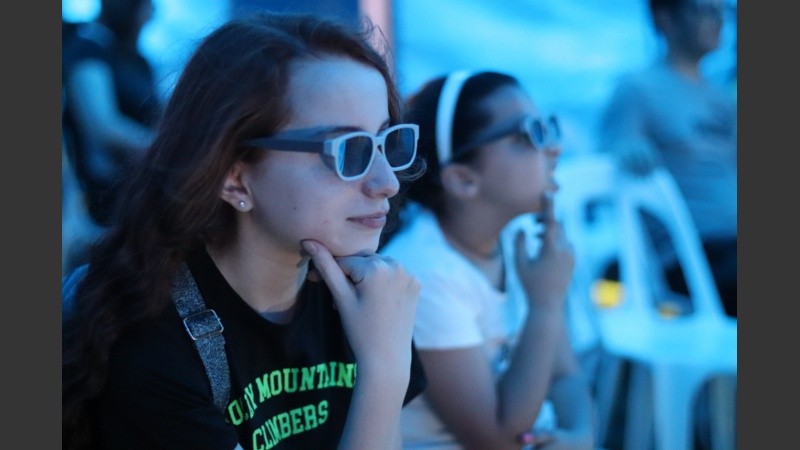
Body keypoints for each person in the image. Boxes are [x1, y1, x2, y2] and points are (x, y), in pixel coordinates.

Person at [62, 11, 427, 450]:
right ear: (234, 179)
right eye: (349, 150)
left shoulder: (364, 297)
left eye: (388, 142)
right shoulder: (152, 342)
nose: (387, 182)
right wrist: (384, 371)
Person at [381, 70, 595, 450]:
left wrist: (581, 437)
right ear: (463, 179)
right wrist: (545, 304)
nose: (554, 148)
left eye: (548, 127)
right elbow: (497, 439)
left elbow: (566, 375)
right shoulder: (424, 276)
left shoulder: (514, 242)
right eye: (530, 133)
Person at [597, 0, 737, 318]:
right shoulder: (637, 89)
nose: (718, 21)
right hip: (689, 257)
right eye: (705, 10)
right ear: (665, 19)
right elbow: (609, 157)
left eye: (722, 11)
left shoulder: (718, 97)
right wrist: (625, 149)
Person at [62, 0, 162, 230]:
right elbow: (103, 127)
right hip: (103, 195)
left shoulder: (139, 61)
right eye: (147, 7)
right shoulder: (88, 49)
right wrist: (161, 148)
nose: (152, 15)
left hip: (140, 189)